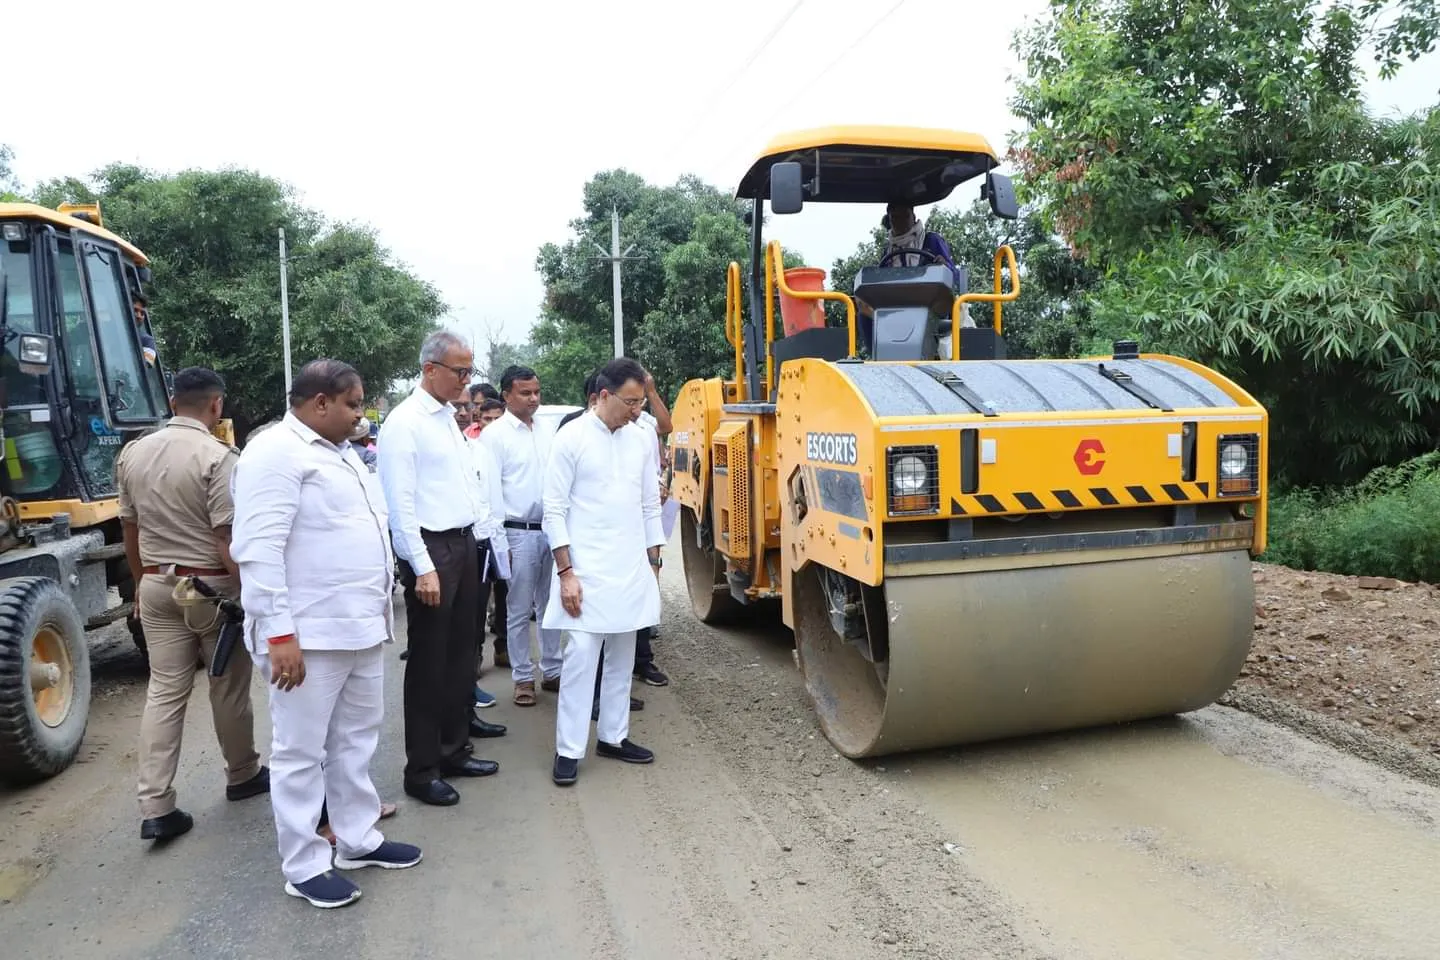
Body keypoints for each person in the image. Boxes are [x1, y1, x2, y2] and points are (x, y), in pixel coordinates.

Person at [231, 358, 423, 909]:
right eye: (354, 405)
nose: (361, 416)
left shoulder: (341, 456)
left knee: (356, 739)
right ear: (320, 403)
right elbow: (259, 550)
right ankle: (304, 864)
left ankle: (358, 838)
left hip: (359, 626)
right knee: (299, 752)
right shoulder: (276, 452)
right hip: (308, 635)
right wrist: (279, 634)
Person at [116, 366, 267, 841]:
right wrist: (250, 592)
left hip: (157, 588)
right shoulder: (219, 457)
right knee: (226, 686)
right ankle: (241, 774)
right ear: (216, 405)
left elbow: (129, 528)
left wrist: (140, 587)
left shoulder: (133, 453)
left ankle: (156, 806)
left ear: (173, 401)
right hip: (210, 590)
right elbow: (226, 538)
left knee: (164, 691)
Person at [378, 331, 504, 809]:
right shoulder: (405, 423)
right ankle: (422, 769)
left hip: (463, 544)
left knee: (459, 656)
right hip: (432, 551)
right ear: (430, 368)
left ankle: (453, 750)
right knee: (429, 664)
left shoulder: (447, 420)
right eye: (459, 372)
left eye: (470, 372)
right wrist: (422, 566)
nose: (466, 382)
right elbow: (401, 503)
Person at [544, 357, 664, 787]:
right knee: (580, 658)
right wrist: (566, 573)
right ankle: (568, 750)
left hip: (629, 565)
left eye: (640, 401)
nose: (637, 410)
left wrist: (653, 562)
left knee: (623, 655)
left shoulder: (640, 439)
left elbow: (651, 505)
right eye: (630, 401)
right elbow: (553, 511)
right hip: (586, 570)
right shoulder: (571, 437)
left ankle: (613, 737)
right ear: (603, 395)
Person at [480, 365, 562, 707]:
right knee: (517, 609)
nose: (534, 399)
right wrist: (500, 544)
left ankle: (553, 669)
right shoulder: (494, 436)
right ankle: (523, 677)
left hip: (552, 529)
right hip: (518, 533)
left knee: (551, 605)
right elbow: (490, 493)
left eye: (537, 392)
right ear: (507, 395)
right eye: (526, 393)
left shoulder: (549, 429)